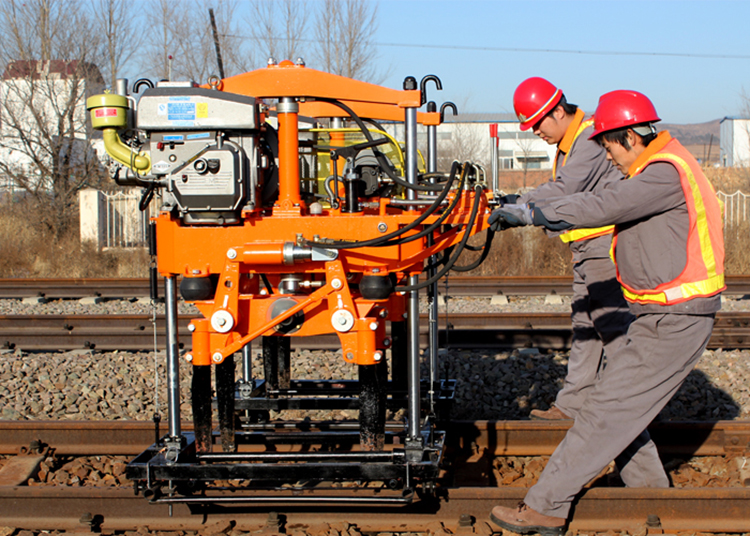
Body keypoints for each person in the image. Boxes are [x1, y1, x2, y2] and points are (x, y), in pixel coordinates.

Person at [487, 90, 725, 535]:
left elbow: (602, 205)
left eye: (610, 146)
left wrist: (533, 212)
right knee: (618, 408)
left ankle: (545, 508)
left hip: (677, 319)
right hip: (662, 316)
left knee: (605, 409)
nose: (608, 157)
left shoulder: (662, 174)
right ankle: (651, 492)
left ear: (631, 135)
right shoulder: (660, 165)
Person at [508, 77, 634, 421]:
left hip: (603, 245)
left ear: (559, 111)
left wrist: (519, 205)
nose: (536, 132)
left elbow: (565, 188)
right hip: (586, 246)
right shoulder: (572, 142)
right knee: (584, 327)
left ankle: (634, 405)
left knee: (611, 328)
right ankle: (573, 405)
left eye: (537, 123)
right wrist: (513, 201)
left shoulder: (590, 139)